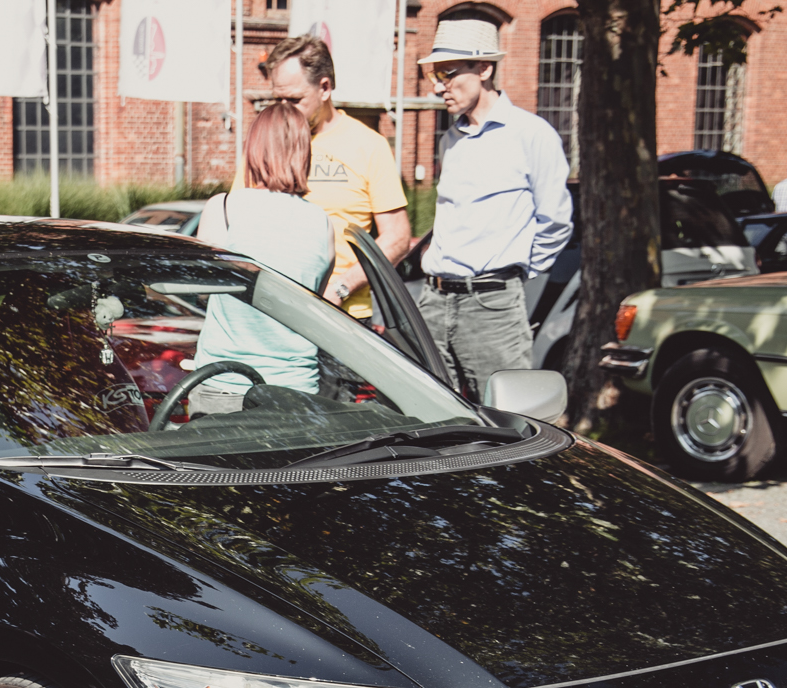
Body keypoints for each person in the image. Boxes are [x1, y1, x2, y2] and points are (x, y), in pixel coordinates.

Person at [415, 18, 571, 403]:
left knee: (510, 416)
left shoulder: (532, 135)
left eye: (448, 73)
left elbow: (555, 222)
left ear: (484, 69)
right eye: (435, 75)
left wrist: (511, 275)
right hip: (434, 302)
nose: (438, 87)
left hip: (493, 308)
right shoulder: (450, 140)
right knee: (433, 415)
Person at [188, 102, 336, 415]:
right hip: (296, 391)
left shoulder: (223, 208)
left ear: (253, 150)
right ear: (304, 153)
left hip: (225, 383)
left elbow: (201, 291)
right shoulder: (323, 224)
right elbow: (311, 302)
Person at [254, 34, 409, 320]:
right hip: (272, 310)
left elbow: (397, 237)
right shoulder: (264, 142)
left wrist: (341, 287)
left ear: (324, 87)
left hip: (343, 315)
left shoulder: (368, 145)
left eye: (294, 99)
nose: (284, 110)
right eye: (278, 99)